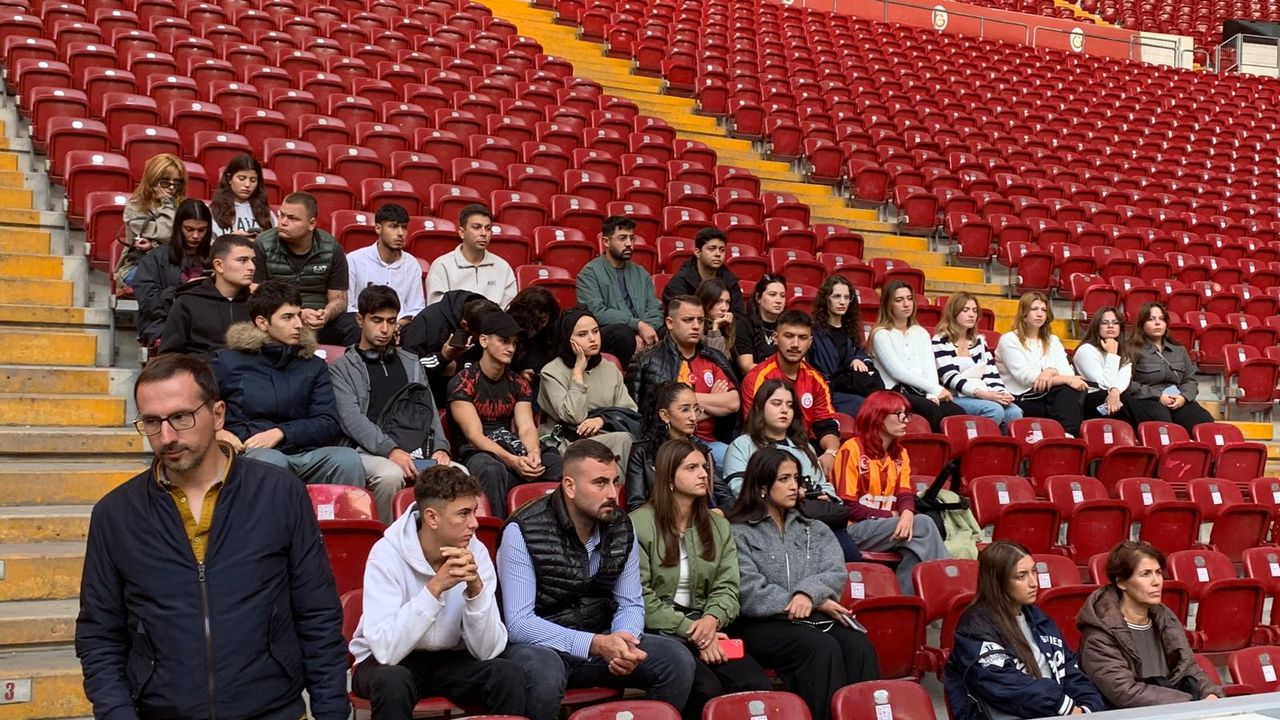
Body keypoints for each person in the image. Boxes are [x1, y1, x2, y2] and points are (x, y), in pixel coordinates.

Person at [75, 354, 349, 720]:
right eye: (152, 422)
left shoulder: (280, 494)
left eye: (181, 417)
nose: (167, 436)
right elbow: (99, 635)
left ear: (218, 415)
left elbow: (317, 615)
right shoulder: (115, 515)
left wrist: (332, 712)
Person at [498, 439, 696, 720]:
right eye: (600, 483)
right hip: (541, 645)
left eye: (615, 482)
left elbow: (630, 603)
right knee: (544, 673)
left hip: (601, 640)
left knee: (677, 660)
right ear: (569, 486)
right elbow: (519, 623)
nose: (613, 493)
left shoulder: (621, 526)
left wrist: (623, 642)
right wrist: (595, 643)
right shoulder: (523, 530)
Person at [350, 465, 533, 718]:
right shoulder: (386, 553)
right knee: (393, 682)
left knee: (507, 674)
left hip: (449, 659)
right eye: (463, 513)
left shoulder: (477, 551)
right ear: (432, 518)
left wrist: (476, 592)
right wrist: (435, 589)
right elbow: (385, 651)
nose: (474, 523)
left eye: (474, 512)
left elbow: (489, 651)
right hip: (387, 661)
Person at [727, 448, 879, 720]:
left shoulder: (815, 529)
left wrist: (809, 595)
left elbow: (835, 572)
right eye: (784, 479)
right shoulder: (739, 532)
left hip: (808, 617)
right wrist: (802, 601)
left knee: (859, 645)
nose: (793, 486)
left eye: (796, 478)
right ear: (762, 487)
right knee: (820, 647)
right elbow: (748, 589)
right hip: (759, 624)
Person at [631, 439, 772, 720]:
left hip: (707, 625)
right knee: (706, 690)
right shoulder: (639, 524)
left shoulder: (718, 524)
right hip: (660, 632)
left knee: (756, 685)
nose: (703, 474)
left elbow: (728, 586)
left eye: (704, 468)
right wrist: (695, 632)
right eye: (691, 468)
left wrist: (711, 620)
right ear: (669, 478)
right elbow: (640, 596)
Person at [211, 280, 366, 488]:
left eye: (299, 315)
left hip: (305, 452)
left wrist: (281, 433)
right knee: (271, 461)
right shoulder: (228, 362)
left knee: (347, 460)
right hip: (251, 452)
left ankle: (344, 511)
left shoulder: (314, 365)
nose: (298, 324)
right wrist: (217, 432)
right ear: (262, 323)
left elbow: (327, 421)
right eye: (287, 317)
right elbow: (201, 406)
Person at [945, 541, 1105, 720]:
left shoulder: (1039, 619)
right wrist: (1062, 705)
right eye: (1021, 576)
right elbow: (1003, 684)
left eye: (1034, 571)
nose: (1034, 583)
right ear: (998, 582)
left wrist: (1088, 706)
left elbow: (1069, 669)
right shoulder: (974, 628)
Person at [331, 285, 452, 522]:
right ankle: (386, 541)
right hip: (366, 452)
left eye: (391, 321)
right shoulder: (341, 369)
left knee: (459, 472)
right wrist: (391, 451)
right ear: (360, 320)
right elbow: (352, 421)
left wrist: (440, 448)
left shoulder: (411, 362)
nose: (385, 329)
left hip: (417, 452)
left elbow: (428, 410)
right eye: (377, 320)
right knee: (390, 476)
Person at [724, 379, 860, 562]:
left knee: (849, 554)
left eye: (789, 405)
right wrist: (793, 494)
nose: (784, 410)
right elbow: (740, 490)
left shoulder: (805, 447)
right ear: (759, 408)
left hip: (813, 516)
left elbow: (824, 485)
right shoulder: (742, 445)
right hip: (767, 521)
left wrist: (826, 496)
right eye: (776, 403)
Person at [1076, 541, 1222, 707]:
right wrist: (1190, 704)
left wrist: (1210, 693)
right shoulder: (1099, 634)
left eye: (1158, 573)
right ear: (1121, 582)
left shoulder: (1166, 620)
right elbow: (1124, 691)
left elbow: (1189, 668)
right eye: (1145, 574)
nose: (1157, 581)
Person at [448, 310, 563, 517]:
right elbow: (474, 436)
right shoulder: (463, 382)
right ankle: (499, 531)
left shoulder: (518, 383)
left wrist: (533, 454)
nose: (510, 348)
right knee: (491, 469)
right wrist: (513, 461)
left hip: (511, 445)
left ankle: (553, 525)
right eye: (503, 341)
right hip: (476, 452)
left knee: (555, 463)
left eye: (514, 343)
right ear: (484, 341)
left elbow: (526, 426)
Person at [833, 391, 949, 593]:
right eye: (899, 414)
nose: (906, 420)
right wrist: (893, 515)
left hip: (890, 528)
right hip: (856, 529)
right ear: (878, 417)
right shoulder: (852, 449)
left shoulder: (900, 453)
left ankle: (906, 602)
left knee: (916, 548)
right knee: (923, 524)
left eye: (907, 414)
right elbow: (846, 506)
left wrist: (907, 513)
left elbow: (904, 494)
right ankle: (947, 588)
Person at [628, 295, 739, 469]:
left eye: (700, 320)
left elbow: (732, 403)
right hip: (666, 444)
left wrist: (683, 403)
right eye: (688, 320)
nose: (696, 326)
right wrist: (711, 404)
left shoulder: (714, 358)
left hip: (710, 443)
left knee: (743, 458)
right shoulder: (648, 361)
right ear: (670, 323)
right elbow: (646, 414)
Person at [740, 310, 842, 480]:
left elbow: (826, 426)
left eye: (802, 338)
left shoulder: (816, 380)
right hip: (766, 451)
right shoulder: (758, 377)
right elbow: (755, 428)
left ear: (810, 342)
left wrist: (830, 452)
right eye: (788, 336)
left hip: (804, 448)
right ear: (775, 338)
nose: (795, 344)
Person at [253, 191, 356, 345]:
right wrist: (298, 314)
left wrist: (326, 314)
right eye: (282, 215)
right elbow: (257, 295)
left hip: (318, 323)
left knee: (353, 324)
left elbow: (339, 300)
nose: (283, 222)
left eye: (292, 218)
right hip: (279, 320)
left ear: (311, 223)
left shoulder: (331, 248)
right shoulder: (263, 244)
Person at [538, 306, 637, 464]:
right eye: (582, 334)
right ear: (567, 339)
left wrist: (603, 420)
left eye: (595, 331)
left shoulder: (610, 368)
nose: (592, 338)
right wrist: (578, 372)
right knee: (624, 441)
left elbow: (629, 411)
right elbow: (573, 416)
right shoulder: (551, 372)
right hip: (568, 441)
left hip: (605, 434)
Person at [869, 280, 965, 432]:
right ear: (888, 304)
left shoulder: (921, 333)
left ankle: (956, 448)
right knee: (930, 410)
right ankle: (938, 447)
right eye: (899, 300)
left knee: (957, 412)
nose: (906, 304)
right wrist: (934, 389)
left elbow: (929, 368)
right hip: (893, 392)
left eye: (909, 299)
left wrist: (932, 394)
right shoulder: (881, 334)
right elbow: (897, 372)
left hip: (920, 390)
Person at [996, 292, 1089, 436]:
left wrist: (1050, 371)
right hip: (1022, 397)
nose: (1040, 314)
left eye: (1043, 310)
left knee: (1070, 391)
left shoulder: (1053, 340)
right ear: (1024, 314)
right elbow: (1027, 378)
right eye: (1034, 309)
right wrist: (1064, 379)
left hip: (1048, 395)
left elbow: (1067, 372)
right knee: (1067, 390)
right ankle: (1067, 438)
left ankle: (1067, 436)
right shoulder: (1009, 340)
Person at [576, 215, 664, 365]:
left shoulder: (641, 273)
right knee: (623, 334)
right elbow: (597, 312)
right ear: (606, 242)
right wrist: (637, 325)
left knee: (671, 330)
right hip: (610, 333)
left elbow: (654, 308)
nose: (629, 244)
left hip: (641, 330)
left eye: (632, 238)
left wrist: (645, 330)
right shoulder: (589, 273)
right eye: (622, 238)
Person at [932, 292, 1022, 432]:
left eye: (974, 311)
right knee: (994, 410)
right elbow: (950, 377)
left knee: (1014, 412)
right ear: (953, 313)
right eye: (965, 310)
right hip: (954, 395)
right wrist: (983, 394)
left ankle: (1000, 445)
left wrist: (1001, 394)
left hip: (981, 394)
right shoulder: (940, 340)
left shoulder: (979, 341)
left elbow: (991, 373)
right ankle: (973, 441)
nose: (971, 315)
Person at [626, 382, 723, 511]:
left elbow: (726, 498)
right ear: (665, 415)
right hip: (657, 520)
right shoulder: (642, 452)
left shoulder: (701, 451)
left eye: (696, 409)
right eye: (685, 409)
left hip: (701, 518)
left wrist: (719, 512)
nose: (693, 417)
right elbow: (635, 505)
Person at [157, 234, 255, 358]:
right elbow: (169, 355)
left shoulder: (256, 303)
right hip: (200, 368)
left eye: (253, 260)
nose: (252, 267)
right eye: (243, 260)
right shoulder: (188, 302)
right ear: (219, 265)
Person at [133, 198, 214, 346]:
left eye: (202, 230)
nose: (196, 236)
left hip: (209, 323)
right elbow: (148, 303)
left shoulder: (217, 257)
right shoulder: (156, 257)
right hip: (165, 322)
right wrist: (181, 291)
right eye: (189, 229)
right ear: (178, 227)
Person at [1124, 302, 1214, 433]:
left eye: (1161, 319)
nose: (1157, 323)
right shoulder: (1130, 349)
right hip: (1148, 399)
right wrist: (1158, 396)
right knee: (1164, 424)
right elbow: (1126, 383)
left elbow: (1190, 380)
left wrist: (1183, 397)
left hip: (1176, 397)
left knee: (1203, 421)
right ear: (1142, 324)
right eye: (1151, 319)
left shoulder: (1179, 350)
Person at [400, 291, 500, 406]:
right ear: (464, 324)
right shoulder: (428, 320)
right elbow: (409, 369)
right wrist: (443, 357)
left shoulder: (490, 318)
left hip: (474, 392)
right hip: (430, 395)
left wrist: (459, 367)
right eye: (481, 336)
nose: (486, 341)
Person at [345, 203, 427, 330]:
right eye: (393, 226)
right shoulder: (354, 260)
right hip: (361, 328)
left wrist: (395, 325)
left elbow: (416, 309)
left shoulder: (412, 264)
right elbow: (348, 307)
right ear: (378, 228)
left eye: (404, 227)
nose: (401, 233)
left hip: (400, 328)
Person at [809, 275, 880, 417]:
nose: (842, 302)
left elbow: (860, 353)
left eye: (847, 297)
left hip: (852, 387)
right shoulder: (814, 331)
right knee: (867, 406)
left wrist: (858, 359)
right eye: (837, 296)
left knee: (884, 402)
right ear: (825, 299)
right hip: (827, 390)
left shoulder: (851, 328)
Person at [425, 204, 517, 308]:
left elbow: (510, 310)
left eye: (488, 228)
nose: (484, 233)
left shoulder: (503, 267)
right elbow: (436, 310)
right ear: (462, 232)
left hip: (494, 318)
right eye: (477, 227)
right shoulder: (442, 266)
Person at [116, 153, 186, 288]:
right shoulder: (136, 207)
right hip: (138, 267)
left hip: (175, 266)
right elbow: (165, 233)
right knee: (171, 280)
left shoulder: (182, 206)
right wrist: (166, 202)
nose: (172, 187)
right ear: (152, 181)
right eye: (165, 182)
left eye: (177, 182)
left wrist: (154, 245)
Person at [1072, 307, 1135, 424]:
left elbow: (1124, 378)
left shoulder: (1123, 352)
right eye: (1105, 323)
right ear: (1097, 326)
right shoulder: (1086, 350)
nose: (1110, 326)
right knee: (1124, 403)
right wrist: (1112, 354)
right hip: (1089, 401)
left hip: (1113, 398)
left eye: (1115, 323)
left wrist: (1115, 392)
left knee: (1129, 402)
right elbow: (1104, 384)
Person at [662, 228, 745, 314]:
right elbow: (677, 316)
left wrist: (729, 321)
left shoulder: (730, 281)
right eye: (712, 249)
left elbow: (739, 316)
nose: (718, 254)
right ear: (697, 252)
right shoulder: (680, 282)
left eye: (722, 250)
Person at [209, 153, 275, 237]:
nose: (247, 184)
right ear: (229, 178)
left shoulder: (267, 213)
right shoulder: (213, 211)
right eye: (241, 178)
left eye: (253, 180)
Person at [734, 273, 787, 374]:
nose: (779, 300)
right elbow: (747, 367)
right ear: (758, 298)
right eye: (772, 295)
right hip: (756, 380)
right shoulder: (743, 326)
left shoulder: (789, 326)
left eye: (782, 296)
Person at [508, 286, 561, 379]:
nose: (541, 325)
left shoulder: (549, 330)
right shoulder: (508, 331)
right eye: (537, 321)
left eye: (544, 321)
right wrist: (518, 376)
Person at [696, 278, 736, 358]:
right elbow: (712, 360)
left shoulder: (727, 324)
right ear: (705, 301)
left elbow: (722, 361)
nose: (724, 308)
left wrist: (716, 328)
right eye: (718, 301)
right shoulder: (695, 325)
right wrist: (715, 331)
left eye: (727, 302)